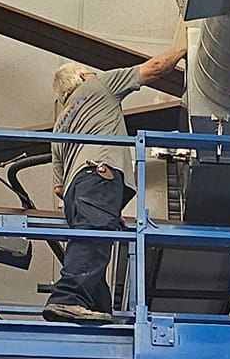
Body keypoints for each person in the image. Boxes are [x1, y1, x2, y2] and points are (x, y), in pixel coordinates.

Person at [45, 45, 187, 323]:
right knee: (94, 240)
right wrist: (184, 47)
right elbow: (155, 68)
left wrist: (100, 207)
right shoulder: (98, 84)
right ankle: (66, 298)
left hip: (76, 193)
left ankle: (101, 313)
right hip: (98, 175)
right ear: (83, 76)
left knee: (95, 244)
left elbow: (59, 188)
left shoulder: (59, 124)